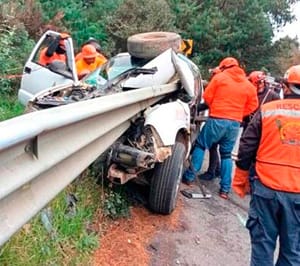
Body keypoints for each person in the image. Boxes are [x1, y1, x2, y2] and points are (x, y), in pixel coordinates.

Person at [232, 65, 300, 265]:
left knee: (263, 245)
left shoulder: (268, 111)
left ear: (286, 87)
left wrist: (241, 178)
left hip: (266, 189)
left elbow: (246, 146)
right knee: (293, 251)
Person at [182, 57, 258, 199]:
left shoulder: (220, 78)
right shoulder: (248, 84)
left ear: (224, 67)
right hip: (234, 124)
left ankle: (189, 176)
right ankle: (225, 189)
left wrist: (217, 108)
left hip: (217, 119)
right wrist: (239, 113)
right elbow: (253, 105)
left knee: (201, 145)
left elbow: (208, 97)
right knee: (226, 155)